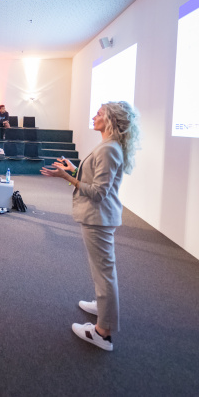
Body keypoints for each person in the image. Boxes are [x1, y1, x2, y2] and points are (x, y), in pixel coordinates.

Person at [40, 101, 140, 352]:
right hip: (100, 217)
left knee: (104, 272)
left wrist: (67, 177)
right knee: (102, 270)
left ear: (111, 119)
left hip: (99, 217)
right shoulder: (109, 146)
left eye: (99, 113)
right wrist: (73, 169)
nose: (94, 115)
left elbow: (98, 193)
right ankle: (102, 307)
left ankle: (102, 334)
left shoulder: (109, 149)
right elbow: (95, 180)